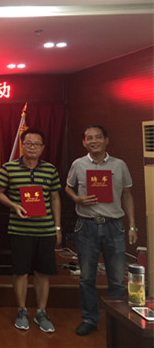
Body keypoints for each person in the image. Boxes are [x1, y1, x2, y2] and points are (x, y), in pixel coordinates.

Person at [65, 125, 137, 337]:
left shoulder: (119, 165)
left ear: (106, 140)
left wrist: (132, 225)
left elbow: (127, 194)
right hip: (86, 226)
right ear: (84, 142)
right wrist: (77, 199)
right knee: (87, 278)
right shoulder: (78, 164)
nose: (94, 141)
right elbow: (68, 187)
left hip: (114, 225)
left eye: (98, 137)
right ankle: (89, 319)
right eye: (89, 138)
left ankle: (118, 322)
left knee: (117, 279)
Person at [0, 128, 61, 333]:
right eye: (28, 143)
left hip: (45, 229)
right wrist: (13, 205)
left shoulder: (50, 169)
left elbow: (55, 198)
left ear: (43, 147)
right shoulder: (9, 168)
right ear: (22, 145)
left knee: (43, 272)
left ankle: (41, 312)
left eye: (36, 144)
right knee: (20, 272)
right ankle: (22, 310)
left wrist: (57, 227)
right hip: (20, 229)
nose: (32, 147)